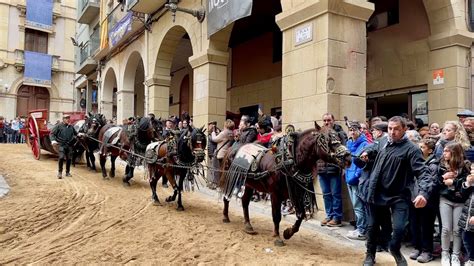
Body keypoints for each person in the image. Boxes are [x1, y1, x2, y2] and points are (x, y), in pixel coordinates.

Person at [359, 116, 433, 266]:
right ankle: (370, 254)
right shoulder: (383, 141)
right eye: (390, 129)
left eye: (396, 129)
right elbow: (373, 146)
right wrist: (367, 152)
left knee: (399, 229)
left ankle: (395, 249)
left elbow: (424, 173)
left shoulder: (411, 149)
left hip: (399, 196)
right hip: (376, 192)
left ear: (404, 129)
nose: (392, 132)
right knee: (372, 227)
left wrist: (423, 193)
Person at [437, 142, 470, 266]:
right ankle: (445, 254)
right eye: (444, 150)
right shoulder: (441, 165)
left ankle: (455, 255)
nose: (443, 153)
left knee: (457, 230)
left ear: (454, 152)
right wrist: (443, 178)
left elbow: (468, 184)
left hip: (460, 201)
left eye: (447, 151)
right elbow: (435, 183)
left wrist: (453, 182)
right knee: (446, 229)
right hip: (445, 199)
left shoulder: (465, 165)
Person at [409, 139, 439, 263]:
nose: (419, 149)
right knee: (414, 225)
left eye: (422, 147)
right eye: (419, 146)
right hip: (413, 198)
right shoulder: (414, 162)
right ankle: (417, 247)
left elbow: (431, 183)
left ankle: (427, 251)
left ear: (430, 151)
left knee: (426, 226)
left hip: (427, 201)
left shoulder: (433, 165)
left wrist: (423, 195)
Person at [318, 113, 347, 227]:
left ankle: (337, 218)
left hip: (334, 169)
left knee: (335, 194)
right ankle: (329, 215)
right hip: (321, 169)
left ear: (333, 120)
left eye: (329, 120)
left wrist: (342, 165)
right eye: (324, 120)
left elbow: (344, 150)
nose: (326, 122)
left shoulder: (339, 134)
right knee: (326, 194)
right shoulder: (320, 133)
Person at [345, 121, 369, 240]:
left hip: (357, 179)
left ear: (360, 130)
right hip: (348, 177)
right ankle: (359, 228)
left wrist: (356, 177)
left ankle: (362, 230)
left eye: (355, 129)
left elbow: (362, 164)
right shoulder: (348, 142)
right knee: (356, 206)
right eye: (350, 130)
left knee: (359, 206)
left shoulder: (365, 144)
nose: (352, 132)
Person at [50, 114, 78, 179]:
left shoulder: (71, 127)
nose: (68, 120)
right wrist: (53, 141)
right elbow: (52, 134)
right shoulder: (59, 126)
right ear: (63, 119)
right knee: (61, 157)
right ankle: (60, 173)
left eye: (68, 118)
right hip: (61, 145)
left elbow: (76, 133)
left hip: (69, 145)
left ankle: (67, 172)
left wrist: (80, 134)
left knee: (69, 159)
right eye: (66, 118)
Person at [459, 167, 474, 266]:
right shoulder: (471, 182)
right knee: (466, 239)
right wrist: (467, 184)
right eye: (472, 169)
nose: (472, 172)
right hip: (466, 220)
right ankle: (472, 259)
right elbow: (462, 195)